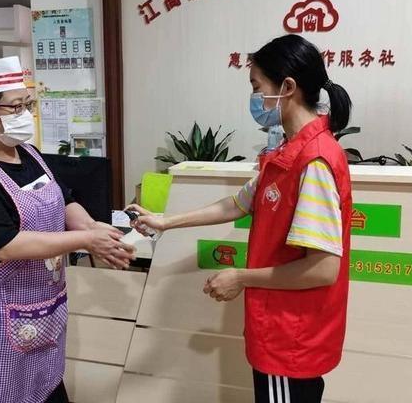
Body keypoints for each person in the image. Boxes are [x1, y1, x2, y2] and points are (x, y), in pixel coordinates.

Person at [128, 35, 353, 403]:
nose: (254, 98)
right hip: (279, 330)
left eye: (256, 87)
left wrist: (241, 277)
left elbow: (323, 269)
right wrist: (165, 221)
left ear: (288, 88)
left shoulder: (313, 161)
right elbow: (236, 204)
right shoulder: (288, 152)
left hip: (290, 339)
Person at [0, 57, 136, 403]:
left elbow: (64, 199)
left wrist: (93, 227)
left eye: (27, 105)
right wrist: (86, 239)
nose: (25, 114)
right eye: (15, 107)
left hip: (44, 306)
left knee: (45, 387)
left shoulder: (27, 153)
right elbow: (6, 244)